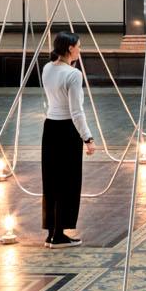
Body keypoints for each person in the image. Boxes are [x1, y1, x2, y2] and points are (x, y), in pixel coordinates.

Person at [40, 30, 94, 244]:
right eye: (79, 46)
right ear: (70, 48)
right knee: (68, 181)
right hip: (67, 130)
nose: (80, 49)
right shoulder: (73, 74)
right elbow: (76, 111)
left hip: (50, 128)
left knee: (51, 180)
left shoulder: (47, 68)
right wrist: (88, 138)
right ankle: (60, 234)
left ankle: (51, 231)